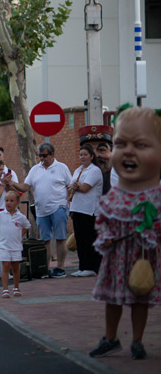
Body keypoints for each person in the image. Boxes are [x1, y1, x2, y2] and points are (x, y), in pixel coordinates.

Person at [88, 107, 161, 360]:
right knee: (113, 298)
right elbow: (103, 222)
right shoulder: (115, 195)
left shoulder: (156, 195)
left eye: (141, 145)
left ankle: (138, 341)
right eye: (121, 144)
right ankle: (110, 337)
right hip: (116, 258)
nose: (129, 151)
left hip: (143, 258)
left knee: (140, 298)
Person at [7, 143, 72, 278]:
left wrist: (69, 202)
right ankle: (45, 268)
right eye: (40, 155)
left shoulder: (62, 168)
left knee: (60, 238)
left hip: (58, 207)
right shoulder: (35, 169)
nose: (42, 158)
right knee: (45, 240)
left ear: (52, 154)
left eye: (45, 155)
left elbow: (69, 186)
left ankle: (60, 268)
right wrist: (12, 183)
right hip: (41, 210)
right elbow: (25, 187)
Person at [69, 144, 103, 277]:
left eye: (85, 155)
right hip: (77, 208)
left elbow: (84, 188)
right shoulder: (78, 170)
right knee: (80, 238)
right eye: (80, 154)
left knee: (88, 238)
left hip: (89, 210)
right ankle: (82, 266)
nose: (82, 157)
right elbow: (72, 186)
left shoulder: (94, 170)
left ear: (91, 156)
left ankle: (91, 267)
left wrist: (76, 186)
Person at [0, 191, 31, 298]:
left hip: (16, 246)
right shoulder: (0, 215)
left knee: (15, 267)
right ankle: (5, 289)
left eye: (11, 201)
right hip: (4, 246)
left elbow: (27, 226)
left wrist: (20, 235)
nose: (8, 203)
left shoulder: (20, 216)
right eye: (7, 200)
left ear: (17, 202)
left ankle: (16, 288)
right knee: (6, 266)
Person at [78, 125, 114, 194]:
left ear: (111, 151)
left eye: (101, 150)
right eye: (89, 151)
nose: (96, 155)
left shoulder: (120, 179)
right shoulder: (78, 176)